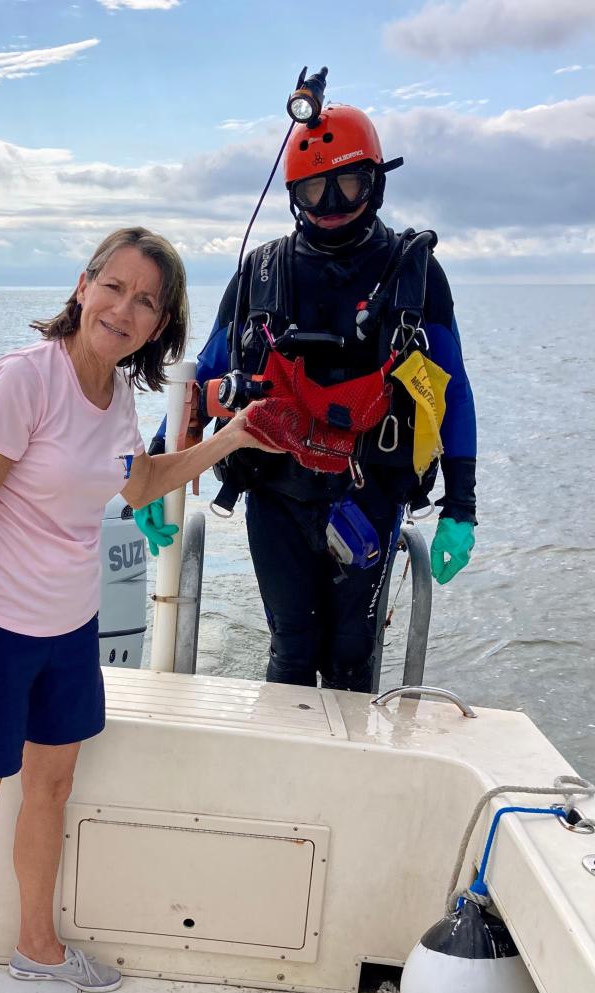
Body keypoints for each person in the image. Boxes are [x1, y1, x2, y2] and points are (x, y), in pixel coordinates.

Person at [0, 226, 279, 993]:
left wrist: (229, 439)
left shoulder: (119, 401)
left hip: (70, 631)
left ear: (159, 324)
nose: (125, 308)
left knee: (53, 784)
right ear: (82, 285)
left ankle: (38, 943)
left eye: (148, 301)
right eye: (116, 286)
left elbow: (135, 484)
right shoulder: (23, 380)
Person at [136, 104, 477, 693]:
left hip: (371, 491)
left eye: (349, 183)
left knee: (352, 654)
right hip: (275, 489)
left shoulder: (414, 273)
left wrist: (461, 505)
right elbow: (209, 370)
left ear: (376, 181)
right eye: (315, 189)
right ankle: (283, 780)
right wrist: (158, 465)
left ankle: (349, 779)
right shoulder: (262, 270)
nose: (333, 205)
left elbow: (454, 389)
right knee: (292, 649)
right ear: (294, 194)